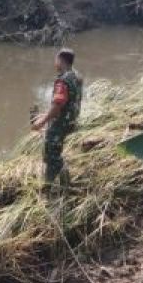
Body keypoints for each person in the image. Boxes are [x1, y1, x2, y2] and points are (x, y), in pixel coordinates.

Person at [31, 48, 83, 189]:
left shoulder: (62, 81)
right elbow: (68, 103)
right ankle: (64, 184)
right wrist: (45, 115)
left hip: (60, 123)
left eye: (56, 59)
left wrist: (41, 122)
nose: (55, 63)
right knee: (55, 152)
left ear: (61, 60)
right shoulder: (76, 76)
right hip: (71, 120)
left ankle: (48, 186)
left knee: (51, 155)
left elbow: (58, 105)